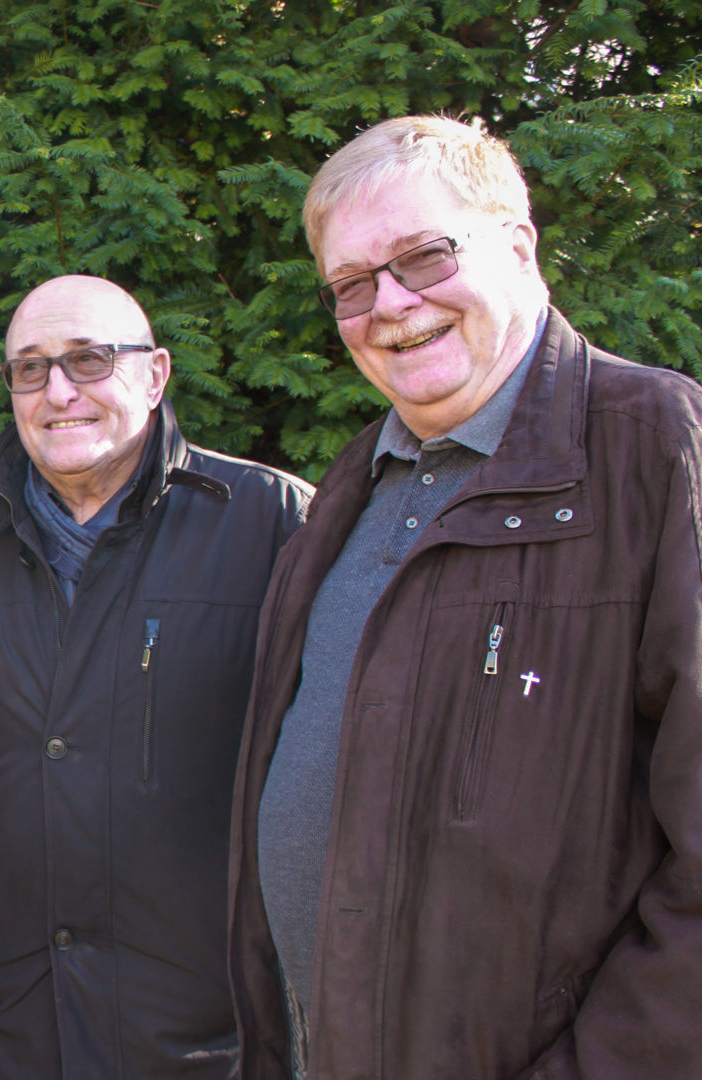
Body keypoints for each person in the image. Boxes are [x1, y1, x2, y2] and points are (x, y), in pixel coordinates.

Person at [229, 115, 702, 1078]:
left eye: (424, 257)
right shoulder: (357, 485)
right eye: (351, 285)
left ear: (518, 246)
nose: (391, 305)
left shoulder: (654, 448)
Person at [0, 276, 310, 1078]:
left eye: (90, 360)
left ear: (156, 373)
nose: (58, 391)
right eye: (29, 369)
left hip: (204, 1040)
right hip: (7, 1034)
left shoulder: (272, 523)